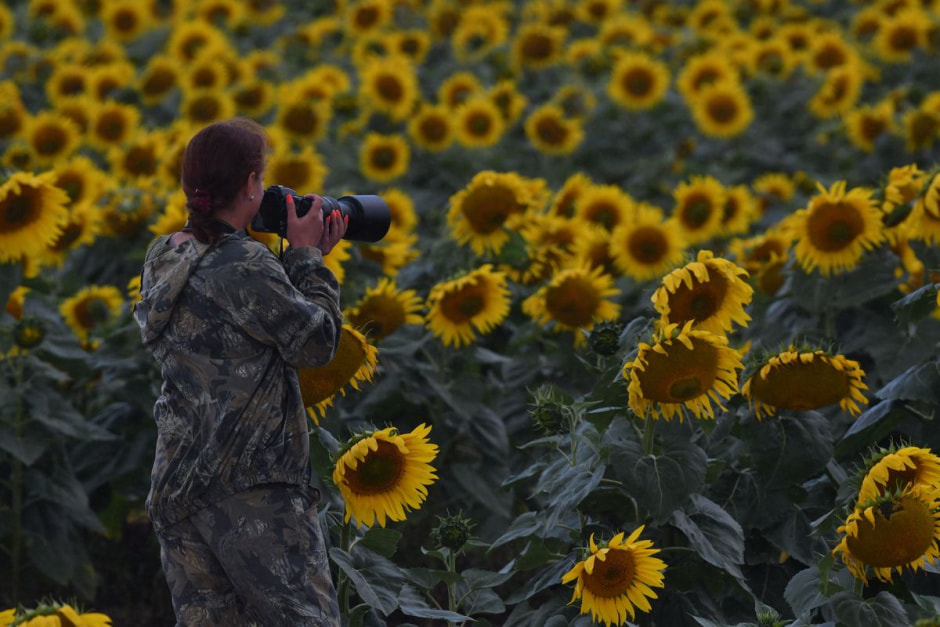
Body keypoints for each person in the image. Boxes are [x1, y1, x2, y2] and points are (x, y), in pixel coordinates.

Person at [133, 117, 345, 626]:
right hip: (252, 492)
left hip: (178, 487)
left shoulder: (164, 255)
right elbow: (316, 343)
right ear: (251, 183)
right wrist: (308, 259)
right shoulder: (246, 264)